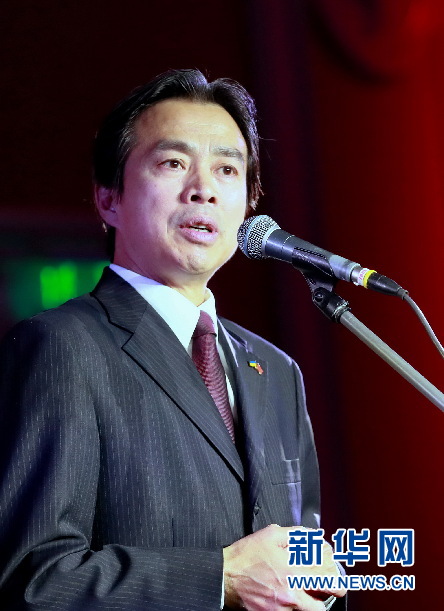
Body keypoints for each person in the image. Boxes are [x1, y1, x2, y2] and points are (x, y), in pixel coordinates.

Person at [0, 69, 346, 610]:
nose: (203, 189)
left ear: (249, 206)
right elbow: (33, 580)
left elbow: (298, 558)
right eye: (173, 163)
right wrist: (219, 580)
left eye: (227, 169)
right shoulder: (61, 347)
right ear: (108, 199)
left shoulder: (277, 371)